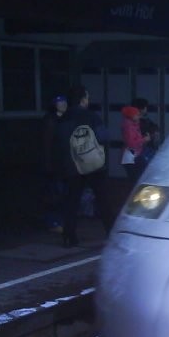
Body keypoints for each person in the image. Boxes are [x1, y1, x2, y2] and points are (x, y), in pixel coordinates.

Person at [55, 85, 115, 247]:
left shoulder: (62, 119)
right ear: (82, 99)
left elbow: (59, 143)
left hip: (72, 166)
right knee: (103, 200)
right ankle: (111, 233)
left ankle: (69, 236)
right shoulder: (91, 116)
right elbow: (103, 136)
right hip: (94, 165)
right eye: (87, 97)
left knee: (72, 202)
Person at [42, 95, 68, 232]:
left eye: (64, 102)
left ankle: (61, 221)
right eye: (59, 102)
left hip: (64, 163)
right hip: (54, 164)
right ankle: (53, 222)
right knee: (54, 194)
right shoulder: (50, 121)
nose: (63, 104)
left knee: (63, 193)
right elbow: (47, 145)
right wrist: (49, 165)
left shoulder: (65, 119)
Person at [120, 105, 150, 183]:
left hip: (134, 155)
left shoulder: (133, 124)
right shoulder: (129, 126)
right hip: (131, 156)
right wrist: (144, 140)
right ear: (132, 115)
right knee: (135, 179)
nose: (139, 116)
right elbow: (131, 143)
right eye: (137, 115)